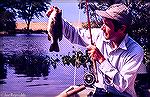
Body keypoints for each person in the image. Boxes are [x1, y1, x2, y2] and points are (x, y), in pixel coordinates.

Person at [48, 3, 144, 97]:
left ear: (122, 29)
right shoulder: (99, 35)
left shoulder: (135, 51)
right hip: (100, 91)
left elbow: (121, 85)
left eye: (107, 25)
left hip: (121, 94)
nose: (102, 28)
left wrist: (101, 60)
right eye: (103, 23)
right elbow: (75, 34)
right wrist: (57, 19)